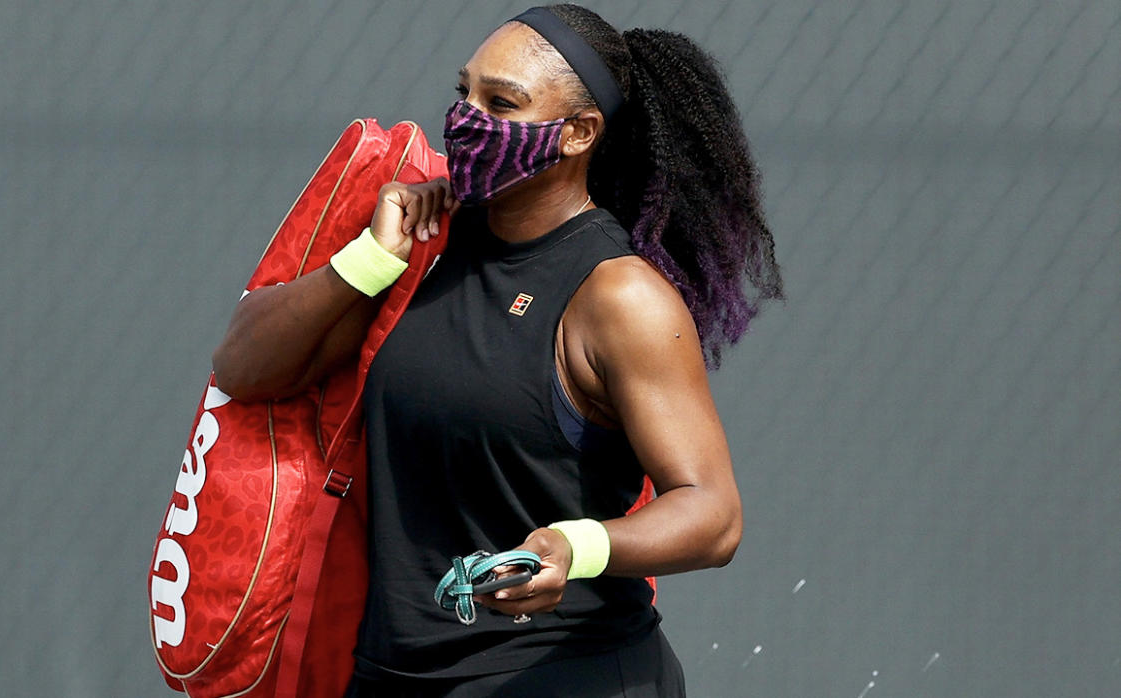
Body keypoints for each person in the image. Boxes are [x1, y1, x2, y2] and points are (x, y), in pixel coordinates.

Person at [212, 4, 783, 696]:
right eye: (464, 93)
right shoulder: (424, 239)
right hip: (392, 675)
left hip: (561, 674)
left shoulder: (618, 296)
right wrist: (370, 258)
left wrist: (576, 547)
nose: (466, 119)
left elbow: (714, 515)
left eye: (501, 103)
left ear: (577, 134)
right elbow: (242, 368)